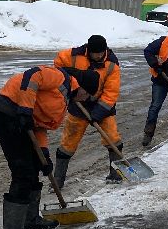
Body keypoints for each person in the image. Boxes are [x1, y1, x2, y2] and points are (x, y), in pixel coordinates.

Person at [0, 64, 101, 229]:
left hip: (23, 122)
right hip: (7, 116)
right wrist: (25, 108)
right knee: (23, 173)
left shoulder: (64, 99)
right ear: (81, 88)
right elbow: (33, 75)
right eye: (87, 95)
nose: (85, 100)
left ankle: (30, 220)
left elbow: (39, 125)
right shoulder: (59, 78)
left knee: (34, 167)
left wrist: (44, 154)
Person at [52, 34, 123, 187]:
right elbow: (57, 66)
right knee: (68, 142)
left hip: (102, 105)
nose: (98, 56)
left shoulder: (112, 64)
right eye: (95, 53)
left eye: (101, 52)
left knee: (113, 138)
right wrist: (69, 75)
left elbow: (111, 93)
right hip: (79, 104)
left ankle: (115, 173)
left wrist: (97, 114)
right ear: (88, 51)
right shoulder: (73, 55)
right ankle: (58, 180)